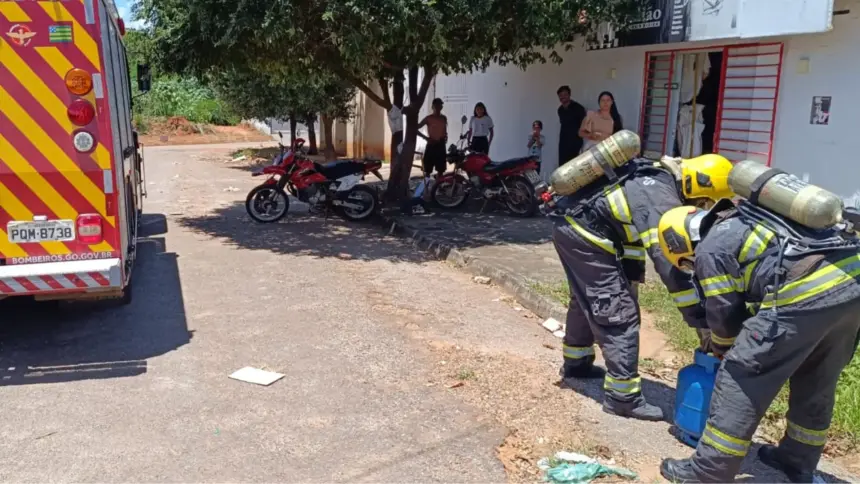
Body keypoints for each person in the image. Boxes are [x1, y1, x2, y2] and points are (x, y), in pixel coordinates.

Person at [656, 201, 860, 483]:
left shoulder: (710, 248)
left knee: (740, 378)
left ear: (681, 243)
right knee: (817, 381)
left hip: (807, 290)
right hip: (852, 285)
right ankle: (796, 462)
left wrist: (724, 349)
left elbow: (723, 312)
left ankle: (708, 472)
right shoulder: (748, 218)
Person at [550, 153, 734, 421]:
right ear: (697, 186)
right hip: (584, 233)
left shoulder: (654, 176)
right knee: (617, 309)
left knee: (586, 298)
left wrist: (632, 274)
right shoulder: (660, 196)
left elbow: (632, 236)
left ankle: (576, 364)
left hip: (572, 224)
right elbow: (672, 265)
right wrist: (700, 320)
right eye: (702, 201)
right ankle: (623, 398)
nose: (699, 206)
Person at [417, 98, 448, 177]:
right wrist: (426, 138)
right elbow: (416, 128)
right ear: (432, 107)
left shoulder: (443, 118)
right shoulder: (428, 118)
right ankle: (426, 186)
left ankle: (438, 186)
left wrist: (445, 136)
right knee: (427, 169)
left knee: (441, 169)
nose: (438, 107)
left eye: (440, 105)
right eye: (436, 106)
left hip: (441, 144)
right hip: (431, 144)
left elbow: (444, 130)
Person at [557, 85, 586, 167]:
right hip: (563, 141)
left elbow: (583, 124)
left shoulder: (578, 108)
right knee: (563, 165)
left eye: (565, 94)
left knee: (574, 165)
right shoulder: (560, 110)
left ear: (569, 95)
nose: (563, 97)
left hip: (575, 141)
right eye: (560, 96)